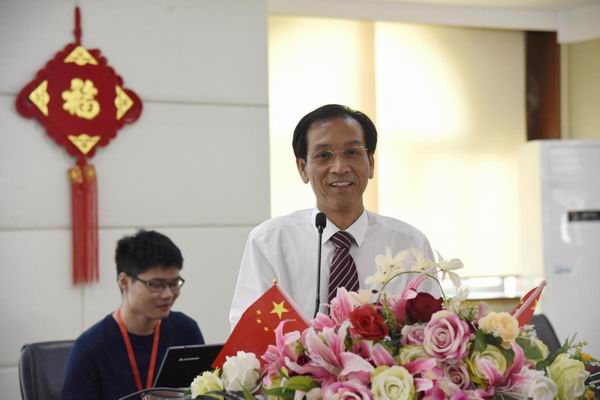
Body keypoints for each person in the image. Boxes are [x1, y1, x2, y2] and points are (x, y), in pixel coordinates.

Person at [229, 104, 435, 328]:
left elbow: (428, 331)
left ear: (371, 163)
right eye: (324, 155)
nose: (339, 167)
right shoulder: (269, 242)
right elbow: (250, 334)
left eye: (352, 152)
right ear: (303, 168)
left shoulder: (410, 245)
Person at [62, 230, 204, 400]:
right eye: (156, 284)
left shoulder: (186, 331)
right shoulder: (89, 349)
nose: (168, 294)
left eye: (174, 283)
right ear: (124, 282)